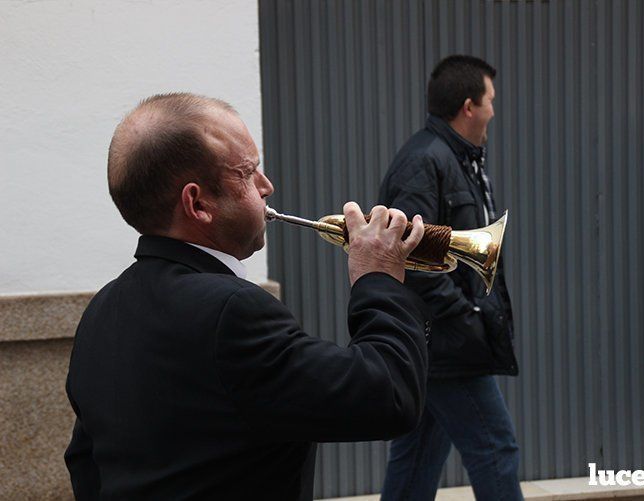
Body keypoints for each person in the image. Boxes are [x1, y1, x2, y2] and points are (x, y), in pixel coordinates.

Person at [64, 93, 431, 501]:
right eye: (247, 173)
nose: (266, 186)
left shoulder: (101, 310)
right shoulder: (233, 311)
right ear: (198, 204)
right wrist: (378, 278)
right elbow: (389, 397)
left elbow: (86, 465)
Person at [378, 55, 522, 500]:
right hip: (446, 341)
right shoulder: (426, 163)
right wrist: (467, 317)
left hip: (438, 340)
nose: (494, 111)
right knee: (496, 450)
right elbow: (415, 261)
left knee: (417, 460)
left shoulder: (456, 160)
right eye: (490, 101)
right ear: (468, 107)